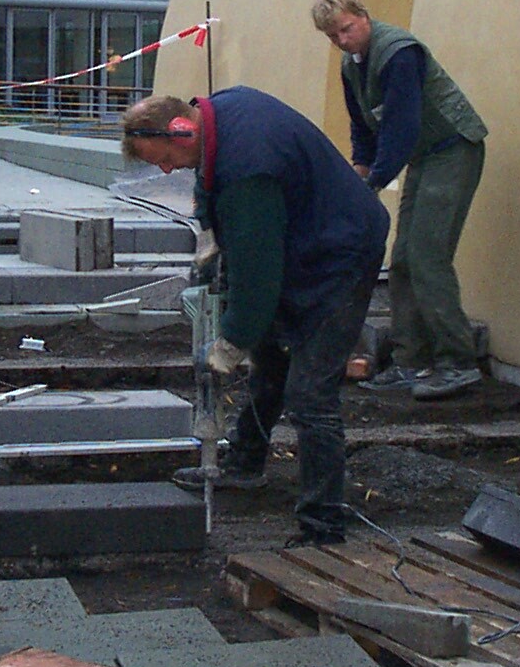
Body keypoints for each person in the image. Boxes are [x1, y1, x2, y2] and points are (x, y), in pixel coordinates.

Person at [122, 89, 388, 547]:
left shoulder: (248, 167)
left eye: (164, 158)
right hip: (307, 236)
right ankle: (245, 464)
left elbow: (257, 271)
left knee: (310, 393)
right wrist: (208, 230)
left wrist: (231, 341)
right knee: (270, 357)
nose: (166, 169)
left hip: (343, 251)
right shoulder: (215, 115)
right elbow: (208, 180)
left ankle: (323, 526)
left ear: (179, 131)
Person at [313, 0, 488, 401]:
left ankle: (458, 362)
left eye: (346, 29)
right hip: (424, 155)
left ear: (363, 15)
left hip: (453, 148)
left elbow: (401, 126)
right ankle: (411, 360)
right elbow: (362, 124)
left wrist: (372, 184)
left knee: (428, 255)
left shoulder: (398, 53)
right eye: (333, 36)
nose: (342, 40)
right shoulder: (351, 63)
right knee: (404, 259)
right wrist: (360, 169)